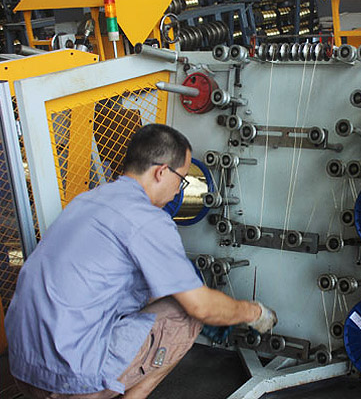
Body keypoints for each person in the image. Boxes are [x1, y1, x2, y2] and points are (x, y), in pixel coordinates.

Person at [5, 124, 277, 398]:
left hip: (22, 369)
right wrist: (255, 313)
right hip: (69, 380)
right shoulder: (147, 219)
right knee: (187, 316)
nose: (177, 191)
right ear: (161, 172)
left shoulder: (86, 201)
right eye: (181, 179)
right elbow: (201, 307)